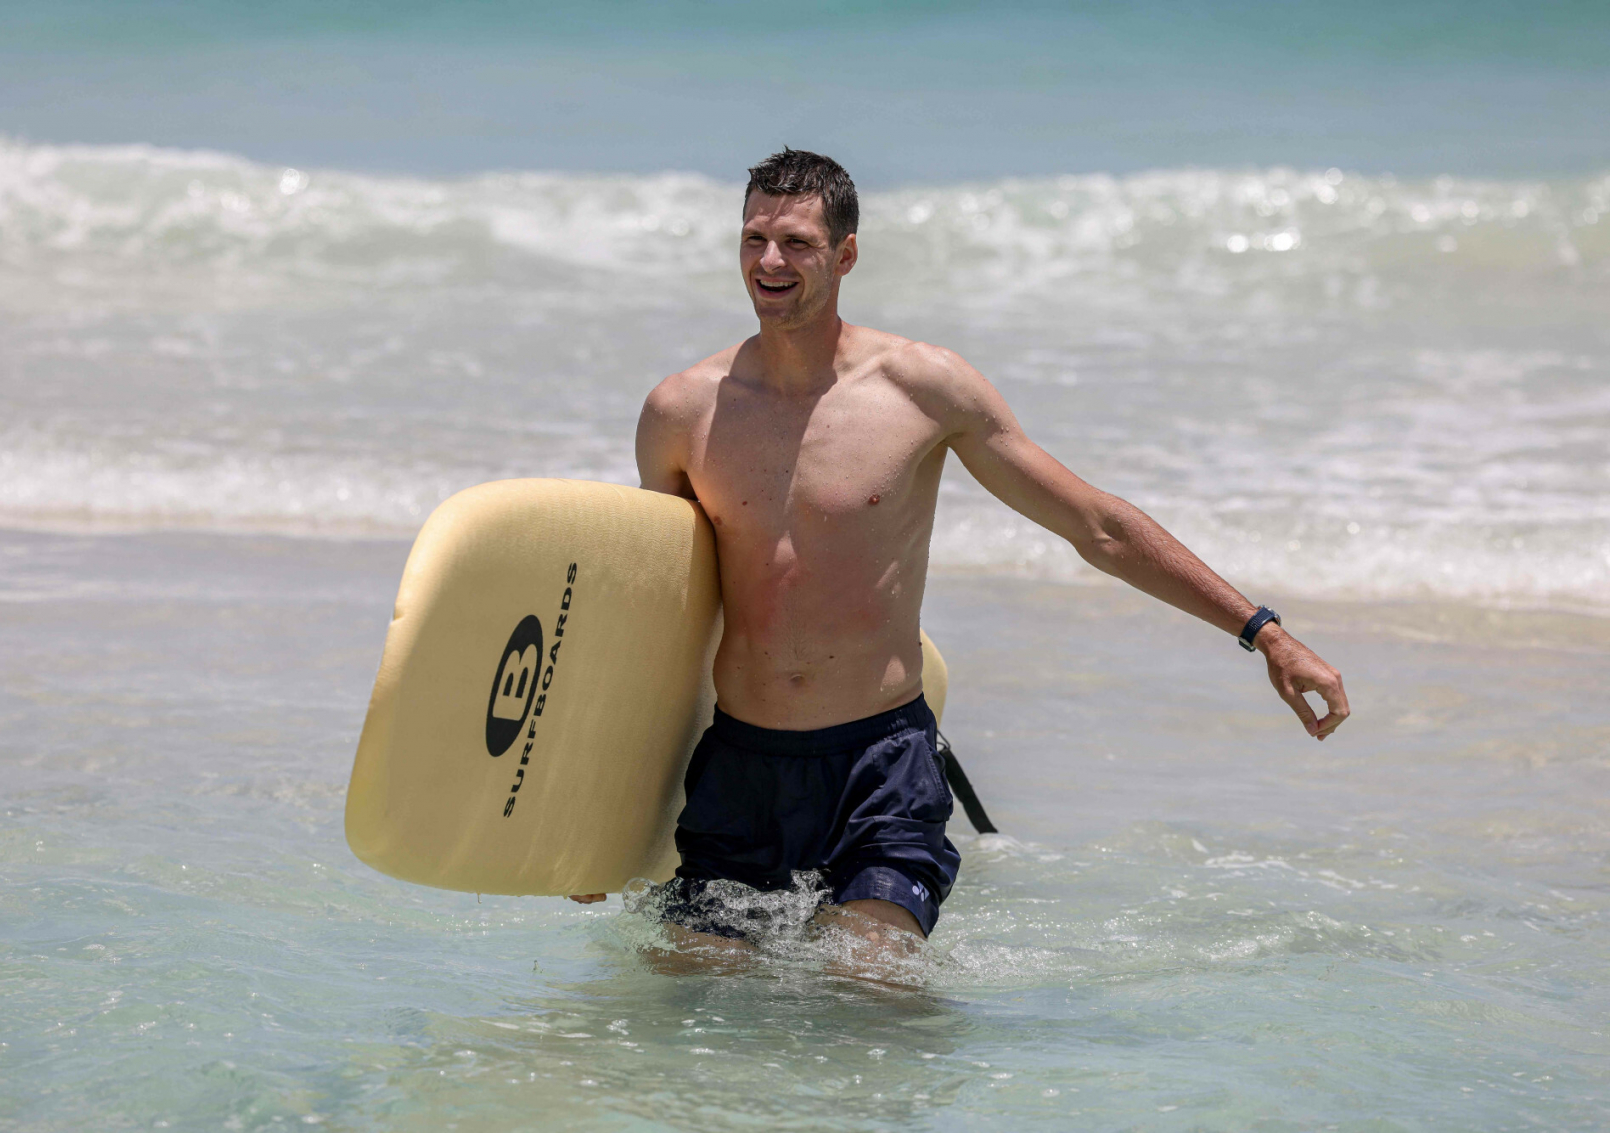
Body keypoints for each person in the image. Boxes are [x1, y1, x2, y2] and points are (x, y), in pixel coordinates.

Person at [569, 148, 1349, 958]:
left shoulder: (922, 391)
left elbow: (1097, 527)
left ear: (846, 254)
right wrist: (599, 816)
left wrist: (1265, 632)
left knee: (866, 987)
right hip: (739, 763)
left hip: (880, 764)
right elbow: (664, 620)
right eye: (754, 238)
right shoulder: (681, 412)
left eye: (797, 242)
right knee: (696, 1010)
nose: (770, 261)